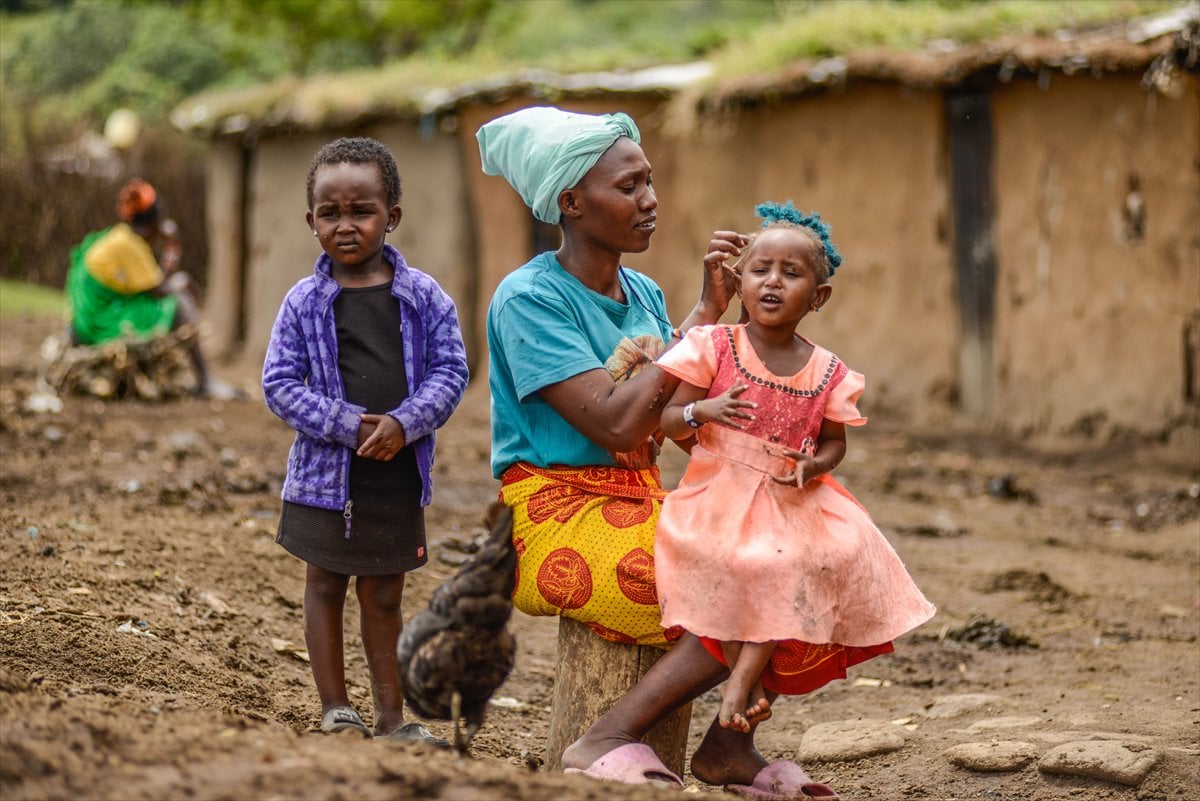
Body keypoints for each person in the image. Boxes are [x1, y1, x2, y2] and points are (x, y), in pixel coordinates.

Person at [477, 105, 765, 788]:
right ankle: (604, 735)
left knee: (786, 555)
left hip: (641, 503)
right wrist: (700, 321)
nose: (650, 200)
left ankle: (726, 743)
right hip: (552, 516)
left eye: (649, 182)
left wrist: (740, 335)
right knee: (731, 587)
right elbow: (613, 424)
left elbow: (664, 420)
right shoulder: (528, 300)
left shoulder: (641, 291)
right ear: (570, 202)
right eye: (628, 187)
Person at [652, 202, 936, 790]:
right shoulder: (713, 345)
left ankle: (742, 685)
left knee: (812, 560)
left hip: (788, 496)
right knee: (750, 563)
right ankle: (745, 687)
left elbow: (835, 444)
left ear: (819, 295)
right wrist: (700, 410)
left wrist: (815, 465)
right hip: (717, 492)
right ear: (739, 280)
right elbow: (667, 423)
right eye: (759, 269)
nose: (772, 282)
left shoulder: (829, 371)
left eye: (791, 272)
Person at [262, 137, 468, 743]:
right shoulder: (303, 302)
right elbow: (279, 384)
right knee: (324, 585)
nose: (345, 226)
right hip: (324, 480)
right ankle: (335, 708)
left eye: (362, 212)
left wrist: (405, 423)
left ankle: (390, 719)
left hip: (395, 473)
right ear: (311, 222)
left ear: (392, 216)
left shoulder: (424, 296)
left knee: (383, 596)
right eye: (330, 214)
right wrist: (349, 425)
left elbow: (451, 371)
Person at [65, 178, 229, 398]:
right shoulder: (130, 245)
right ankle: (206, 381)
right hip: (101, 322)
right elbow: (160, 290)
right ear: (155, 218)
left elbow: (147, 285)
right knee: (179, 302)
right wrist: (173, 249)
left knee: (174, 292)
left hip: (88, 319)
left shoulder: (121, 237)